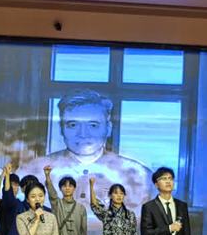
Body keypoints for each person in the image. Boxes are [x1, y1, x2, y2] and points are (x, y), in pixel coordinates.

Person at [21, 89, 153, 214]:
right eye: (73, 125)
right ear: (61, 128)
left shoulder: (141, 177)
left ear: (108, 128)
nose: (83, 134)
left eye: (93, 125)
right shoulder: (32, 172)